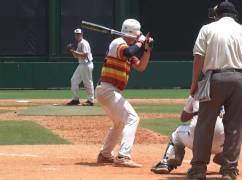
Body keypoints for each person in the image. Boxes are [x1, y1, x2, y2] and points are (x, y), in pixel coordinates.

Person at [187, 1, 242, 180]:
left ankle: (198, 169)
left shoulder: (207, 29)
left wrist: (194, 82)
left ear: (217, 14)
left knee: (205, 124)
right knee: (234, 126)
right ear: (234, 15)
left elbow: (198, 57)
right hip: (238, 80)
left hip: (214, 78)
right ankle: (229, 170)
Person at [95, 19, 153, 168]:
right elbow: (128, 52)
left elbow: (141, 67)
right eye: (138, 34)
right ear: (134, 33)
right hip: (108, 89)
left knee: (119, 123)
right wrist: (140, 42)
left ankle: (105, 154)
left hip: (108, 91)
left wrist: (147, 49)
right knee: (133, 118)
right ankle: (123, 156)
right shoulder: (118, 43)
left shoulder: (128, 47)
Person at [151, 95, 225, 174]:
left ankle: (166, 163)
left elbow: (183, 118)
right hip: (220, 145)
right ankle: (227, 163)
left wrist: (196, 113)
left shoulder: (197, 93)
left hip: (198, 142)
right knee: (230, 133)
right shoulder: (226, 94)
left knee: (177, 133)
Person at [66, 28, 94, 106]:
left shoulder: (84, 43)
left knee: (87, 82)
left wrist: (74, 51)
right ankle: (75, 99)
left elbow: (85, 55)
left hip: (86, 64)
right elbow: (76, 56)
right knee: (74, 80)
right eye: (76, 34)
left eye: (79, 34)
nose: (77, 35)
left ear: (82, 34)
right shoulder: (79, 43)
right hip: (82, 65)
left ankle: (90, 100)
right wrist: (72, 51)